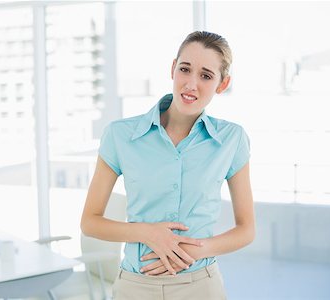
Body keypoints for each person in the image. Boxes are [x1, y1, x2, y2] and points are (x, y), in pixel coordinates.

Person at [80, 31, 255, 300]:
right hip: (134, 287)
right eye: (185, 69)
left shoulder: (232, 139)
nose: (191, 84)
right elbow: (90, 222)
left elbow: (246, 230)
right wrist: (146, 233)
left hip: (201, 286)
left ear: (222, 84)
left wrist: (196, 249)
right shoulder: (120, 135)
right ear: (173, 68)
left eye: (206, 76)